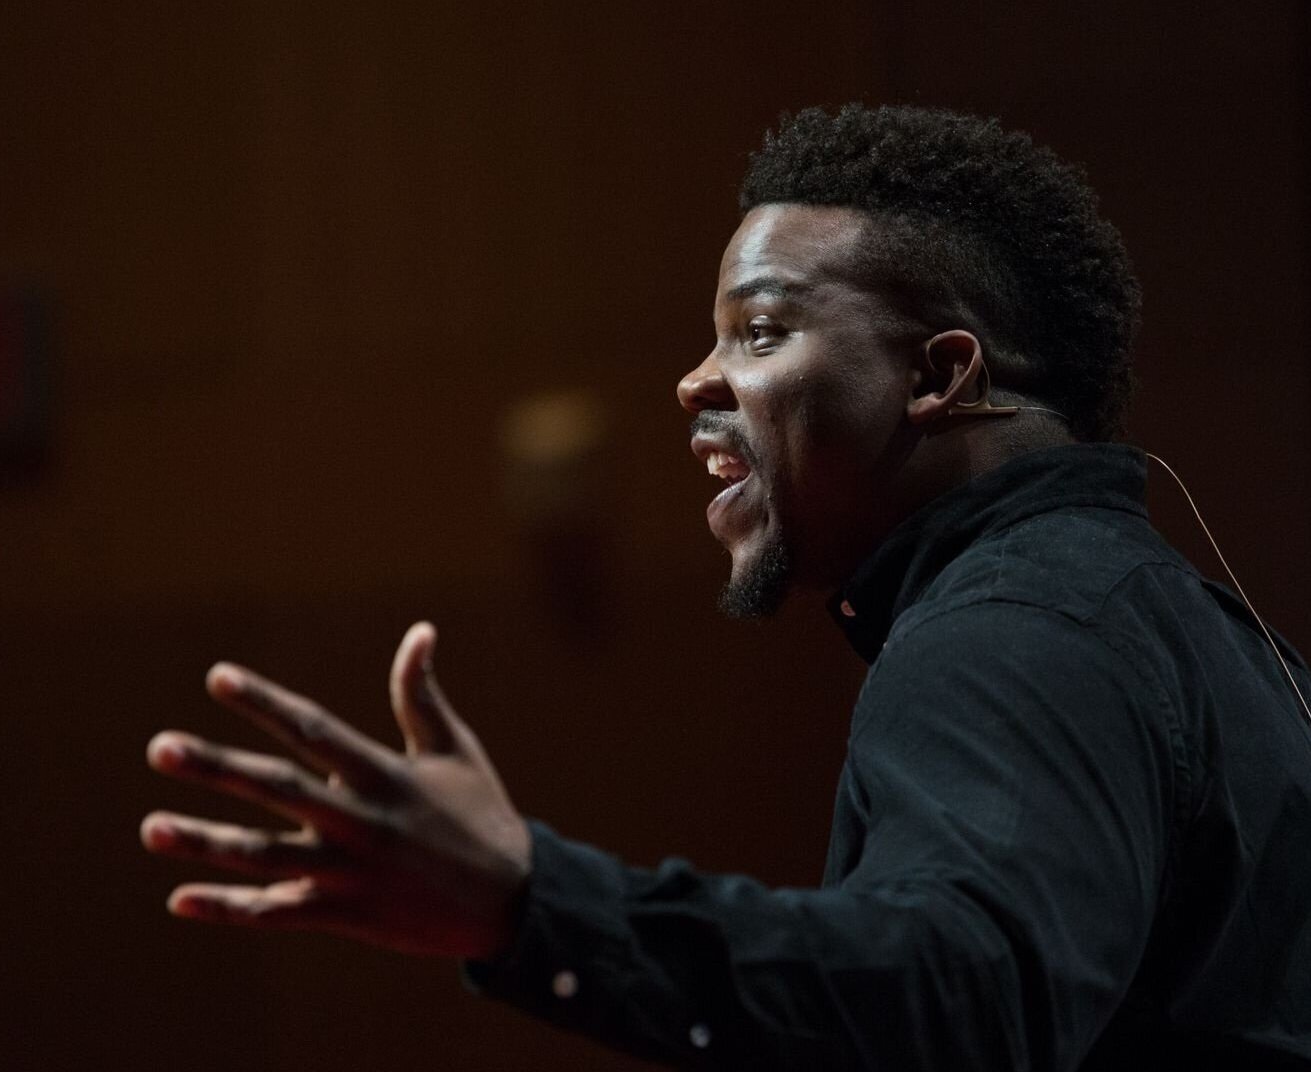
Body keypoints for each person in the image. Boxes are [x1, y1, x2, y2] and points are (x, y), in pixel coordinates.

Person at [139, 105, 1311, 1070]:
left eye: (758, 333)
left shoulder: (1010, 634)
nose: (694, 381)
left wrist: (530, 901)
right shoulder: (1199, 639)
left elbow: (961, 1001)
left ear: (936, 374)